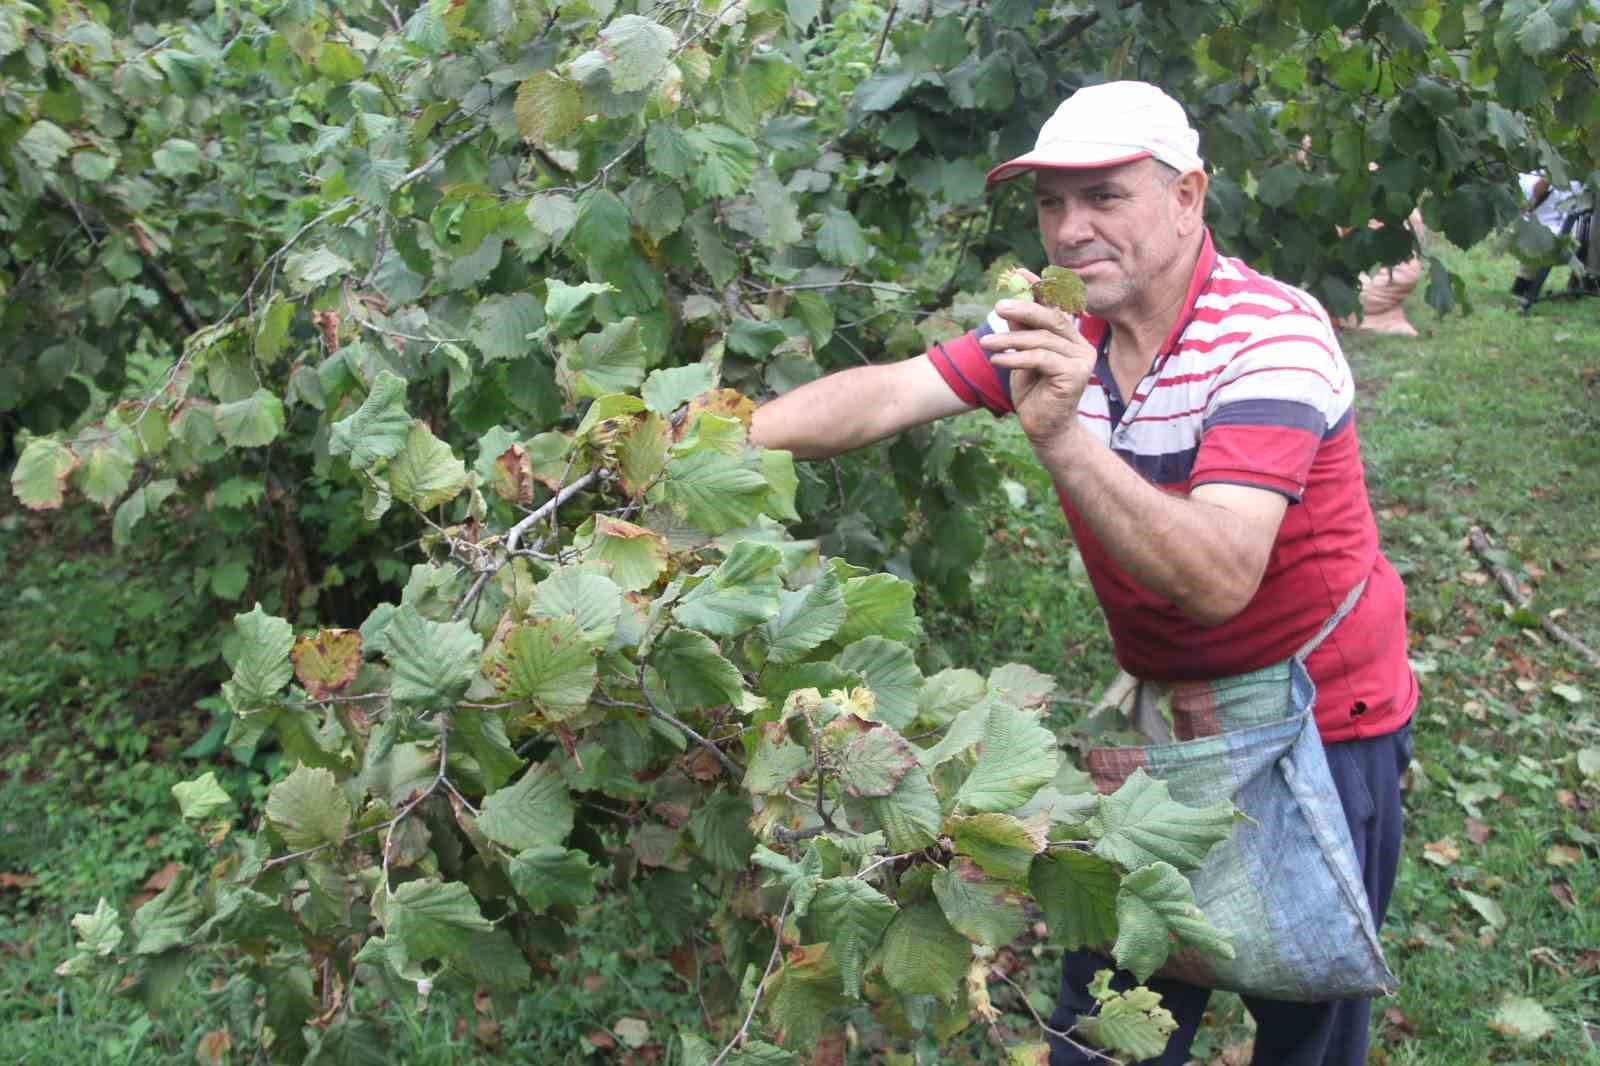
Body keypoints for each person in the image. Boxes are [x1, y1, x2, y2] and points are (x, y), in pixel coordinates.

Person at [750, 80, 1417, 1066]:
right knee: (1104, 1019)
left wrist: (1060, 434)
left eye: (1103, 195)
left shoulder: (1268, 337)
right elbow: (886, 396)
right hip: (1169, 724)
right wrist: (708, 435)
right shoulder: (1063, 331)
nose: (1069, 229)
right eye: (1050, 203)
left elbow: (1221, 573)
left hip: (1317, 728)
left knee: (1304, 1014)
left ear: (1187, 196)